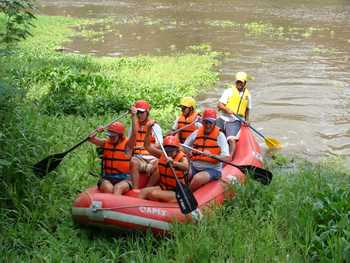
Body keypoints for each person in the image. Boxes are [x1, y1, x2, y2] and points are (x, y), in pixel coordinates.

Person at [88, 109, 137, 195]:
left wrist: (133, 116)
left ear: (120, 136)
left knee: (118, 188)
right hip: (107, 178)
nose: (111, 138)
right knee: (109, 189)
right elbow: (91, 138)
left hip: (124, 178)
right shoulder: (105, 142)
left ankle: (116, 206)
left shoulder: (127, 145)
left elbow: (134, 134)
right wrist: (96, 131)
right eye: (109, 136)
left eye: (113, 136)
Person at [139, 123, 189, 202]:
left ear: (177, 149)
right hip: (164, 187)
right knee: (143, 192)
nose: (169, 152)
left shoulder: (182, 158)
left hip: (177, 191)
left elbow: (186, 166)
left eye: (172, 150)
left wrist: (174, 163)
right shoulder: (163, 155)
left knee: (154, 194)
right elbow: (147, 146)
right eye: (167, 150)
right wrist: (148, 130)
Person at [183, 108, 230, 191]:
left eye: (210, 122)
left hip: (212, 169)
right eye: (205, 122)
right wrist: (188, 155)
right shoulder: (196, 133)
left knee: (197, 178)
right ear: (202, 122)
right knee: (185, 173)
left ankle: (187, 194)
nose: (208, 125)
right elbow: (185, 147)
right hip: (194, 166)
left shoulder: (220, 136)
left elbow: (226, 158)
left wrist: (212, 155)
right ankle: (180, 190)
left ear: (214, 123)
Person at [217, 71, 252, 157]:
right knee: (213, 134)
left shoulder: (248, 95)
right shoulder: (229, 91)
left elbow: (247, 109)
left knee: (231, 140)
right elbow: (219, 105)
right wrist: (226, 109)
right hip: (223, 118)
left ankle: (230, 157)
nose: (239, 83)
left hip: (235, 120)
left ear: (245, 83)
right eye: (238, 81)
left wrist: (247, 120)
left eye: (241, 82)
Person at [130, 100, 163, 189]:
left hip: (152, 157)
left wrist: (145, 146)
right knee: (133, 161)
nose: (139, 115)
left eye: (141, 112)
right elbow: (130, 142)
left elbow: (159, 144)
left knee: (160, 165)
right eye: (137, 112)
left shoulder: (155, 126)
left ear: (147, 112)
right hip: (138, 157)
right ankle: (135, 189)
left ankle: (147, 188)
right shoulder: (134, 126)